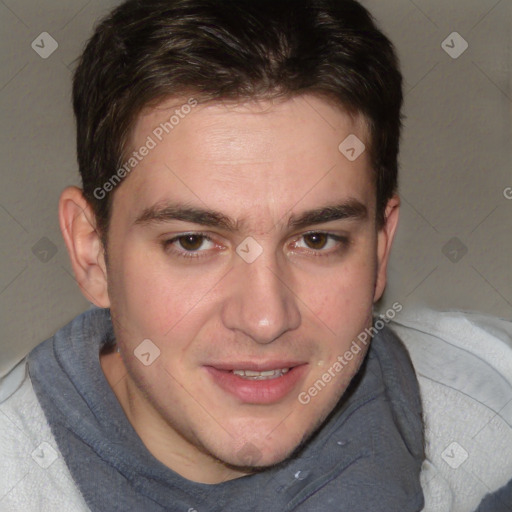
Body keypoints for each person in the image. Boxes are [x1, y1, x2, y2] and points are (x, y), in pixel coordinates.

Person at [0, 1, 510, 511]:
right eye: (193, 242)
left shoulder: (494, 416)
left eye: (316, 240)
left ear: (379, 249)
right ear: (92, 252)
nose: (265, 319)